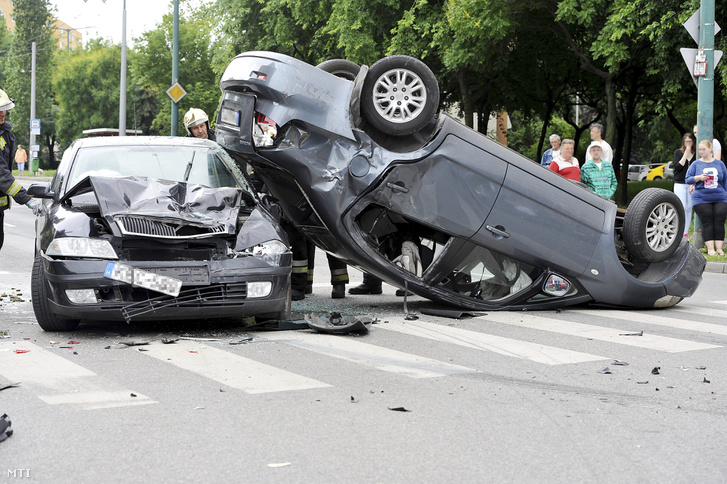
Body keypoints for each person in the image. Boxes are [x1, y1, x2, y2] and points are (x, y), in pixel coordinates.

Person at [0, 89, 32, 251]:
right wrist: (24, 197)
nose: (2, 113)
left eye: (4, 109)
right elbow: (1, 175)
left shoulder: (5, 133)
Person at [685, 139, 727, 256]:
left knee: (719, 220)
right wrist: (698, 178)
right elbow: (688, 179)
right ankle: (710, 249)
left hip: (720, 197)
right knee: (707, 221)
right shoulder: (696, 164)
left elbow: (725, 180)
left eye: (704, 149)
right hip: (701, 198)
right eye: (700, 149)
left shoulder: (719, 164)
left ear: (710, 149)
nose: (701, 151)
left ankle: (720, 249)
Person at [672, 132, 697, 237]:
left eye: (690, 141)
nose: (688, 144)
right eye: (686, 141)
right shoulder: (678, 152)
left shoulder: (696, 154)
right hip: (680, 183)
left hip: (691, 184)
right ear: (683, 142)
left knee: (689, 207)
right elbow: (677, 168)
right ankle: (678, 230)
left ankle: (685, 232)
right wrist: (685, 154)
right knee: (681, 206)